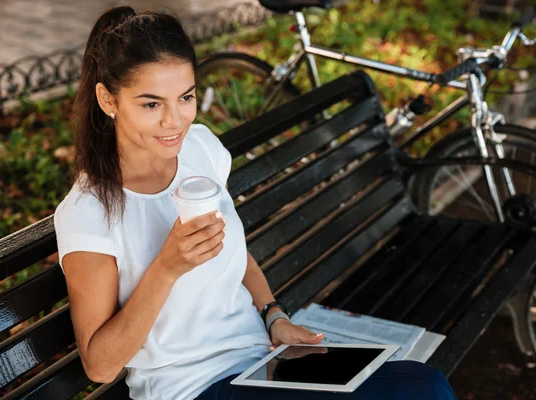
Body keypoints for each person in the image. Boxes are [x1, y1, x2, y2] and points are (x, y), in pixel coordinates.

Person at [54, 6, 458, 400]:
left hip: (261, 363)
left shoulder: (200, 148)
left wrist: (274, 315)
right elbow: (100, 366)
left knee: (426, 385)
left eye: (186, 97)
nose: (175, 121)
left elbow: (235, 252)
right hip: (190, 388)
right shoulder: (90, 213)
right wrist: (166, 269)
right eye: (151, 104)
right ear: (108, 101)